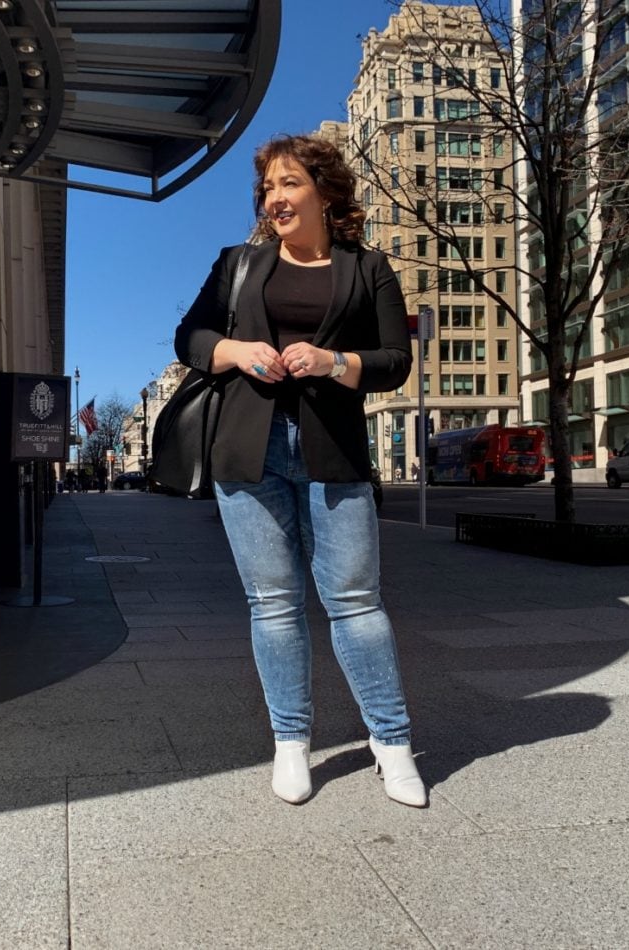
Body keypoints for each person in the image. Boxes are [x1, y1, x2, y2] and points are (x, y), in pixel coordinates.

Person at [175, 134, 425, 808]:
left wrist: (334, 363)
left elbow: (394, 359)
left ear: (323, 190)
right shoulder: (239, 264)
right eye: (267, 189)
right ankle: (291, 741)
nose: (274, 198)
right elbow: (190, 338)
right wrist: (236, 350)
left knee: (355, 602)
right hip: (246, 452)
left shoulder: (367, 267)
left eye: (288, 184)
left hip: (332, 450)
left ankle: (392, 742)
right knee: (274, 604)